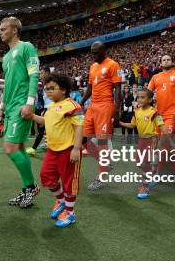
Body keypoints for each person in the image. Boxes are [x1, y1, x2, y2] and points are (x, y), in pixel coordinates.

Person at [0, 16, 40, 208]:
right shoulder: (6, 57)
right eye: (0, 29)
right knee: (20, 148)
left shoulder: (26, 47)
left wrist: (29, 103)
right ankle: (26, 190)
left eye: (3, 28)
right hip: (10, 106)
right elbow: (8, 83)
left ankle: (31, 187)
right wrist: (3, 104)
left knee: (10, 148)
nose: (0, 32)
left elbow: (34, 75)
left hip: (22, 104)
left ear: (14, 30)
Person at [32, 73, 84, 228]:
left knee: (69, 184)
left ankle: (70, 214)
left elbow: (80, 127)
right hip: (52, 150)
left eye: (51, 88)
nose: (47, 91)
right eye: (46, 89)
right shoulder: (51, 107)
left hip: (68, 150)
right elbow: (45, 122)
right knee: (46, 177)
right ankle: (62, 202)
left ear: (63, 90)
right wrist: (32, 116)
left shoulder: (73, 105)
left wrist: (76, 148)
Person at [80, 41, 122, 191]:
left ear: (104, 51)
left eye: (96, 52)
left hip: (105, 106)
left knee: (102, 142)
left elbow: (118, 90)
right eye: (92, 52)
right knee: (83, 139)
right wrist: (81, 102)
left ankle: (101, 178)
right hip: (92, 106)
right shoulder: (92, 66)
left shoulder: (113, 65)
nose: (93, 55)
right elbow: (90, 88)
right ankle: (105, 163)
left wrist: (116, 111)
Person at [119, 89, 167, 200]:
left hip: (152, 139)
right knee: (140, 163)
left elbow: (162, 126)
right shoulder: (136, 111)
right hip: (141, 140)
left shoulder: (154, 112)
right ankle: (153, 175)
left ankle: (145, 188)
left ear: (150, 100)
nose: (139, 99)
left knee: (145, 164)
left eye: (142, 97)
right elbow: (132, 125)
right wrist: (120, 123)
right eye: (139, 97)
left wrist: (167, 138)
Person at [148, 55, 175, 174]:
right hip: (158, 115)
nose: (166, 61)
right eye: (164, 60)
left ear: (172, 62)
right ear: (160, 63)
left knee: (164, 141)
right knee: (158, 142)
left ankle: (158, 172)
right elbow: (148, 93)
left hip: (172, 114)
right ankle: (173, 163)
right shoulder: (155, 77)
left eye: (168, 59)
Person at [27, 67, 52, 157]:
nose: (40, 75)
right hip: (47, 109)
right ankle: (35, 148)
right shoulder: (45, 85)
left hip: (52, 110)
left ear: (47, 73)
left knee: (44, 129)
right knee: (42, 129)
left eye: (41, 73)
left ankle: (35, 148)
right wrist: (44, 110)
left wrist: (48, 110)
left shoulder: (53, 83)